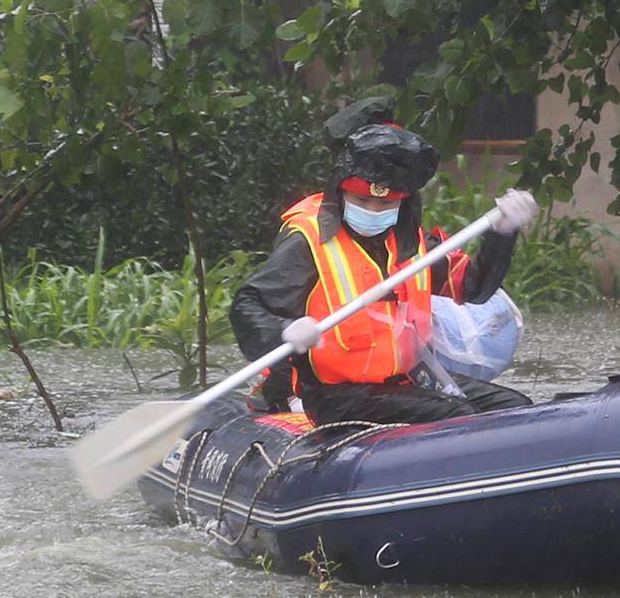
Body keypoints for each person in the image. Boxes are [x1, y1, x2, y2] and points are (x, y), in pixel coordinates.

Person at [228, 116, 540, 426]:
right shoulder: (307, 242)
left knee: (515, 406)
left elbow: (475, 289)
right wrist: (283, 330)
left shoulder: (412, 243)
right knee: (457, 417)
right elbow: (248, 305)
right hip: (337, 395)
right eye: (362, 200)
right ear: (341, 193)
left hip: (407, 380)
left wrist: (502, 234)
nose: (373, 211)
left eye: (386, 204)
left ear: (402, 202)